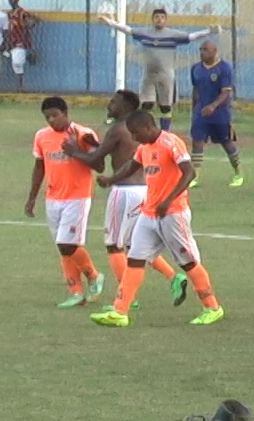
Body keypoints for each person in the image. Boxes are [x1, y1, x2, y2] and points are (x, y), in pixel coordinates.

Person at [90, 110, 225, 327]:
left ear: (147, 127)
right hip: (149, 213)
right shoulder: (144, 148)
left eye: (136, 133)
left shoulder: (171, 142)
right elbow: (131, 166)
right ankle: (120, 312)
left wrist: (169, 199)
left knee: (188, 262)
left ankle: (212, 307)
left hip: (173, 213)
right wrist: (111, 180)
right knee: (135, 258)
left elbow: (189, 172)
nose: (134, 138)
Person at [61, 89, 189, 311]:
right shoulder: (134, 131)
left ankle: (128, 298)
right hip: (143, 190)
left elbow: (95, 159)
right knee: (135, 245)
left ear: (127, 108)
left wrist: (73, 151)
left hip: (124, 191)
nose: (109, 105)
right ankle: (173, 277)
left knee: (114, 245)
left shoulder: (119, 129)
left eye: (114, 102)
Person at [25, 96, 105, 307]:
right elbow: (39, 167)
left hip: (77, 197)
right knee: (64, 247)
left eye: (55, 116)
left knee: (66, 243)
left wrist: (75, 150)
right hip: (53, 199)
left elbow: (100, 166)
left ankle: (94, 276)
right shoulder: (42, 136)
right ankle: (76, 292)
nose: (51, 120)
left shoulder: (84, 134)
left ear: (66, 114)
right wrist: (32, 197)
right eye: (47, 117)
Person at [99, 9, 218, 131]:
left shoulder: (172, 35)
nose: (159, 19)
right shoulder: (146, 33)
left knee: (165, 106)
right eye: (156, 17)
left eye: (162, 17)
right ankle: (144, 128)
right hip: (149, 75)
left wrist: (208, 31)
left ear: (166, 20)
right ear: (152, 19)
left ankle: (165, 131)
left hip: (165, 74)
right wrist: (110, 22)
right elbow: (128, 30)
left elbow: (191, 37)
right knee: (146, 104)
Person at [189, 40, 244, 188]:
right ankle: (195, 176)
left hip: (220, 115)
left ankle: (238, 173)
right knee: (197, 142)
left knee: (226, 143)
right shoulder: (196, 69)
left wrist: (213, 106)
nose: (202, 52)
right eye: (200, 49)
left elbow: (226, 92)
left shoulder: (224, 68)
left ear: (214, 51)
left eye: (205, 49)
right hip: (201, 113)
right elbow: (196, 90)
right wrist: (194, 110)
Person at [6, 0, 39, 91]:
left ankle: (21, 85)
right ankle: (19, 84)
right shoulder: (9, 13)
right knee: (12, 62)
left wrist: (29, 25)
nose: (11, 0)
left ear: (17, 0)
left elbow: (35, 20)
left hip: (20, 41)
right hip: (10, 41)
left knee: (17, 63)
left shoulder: (22, 12)